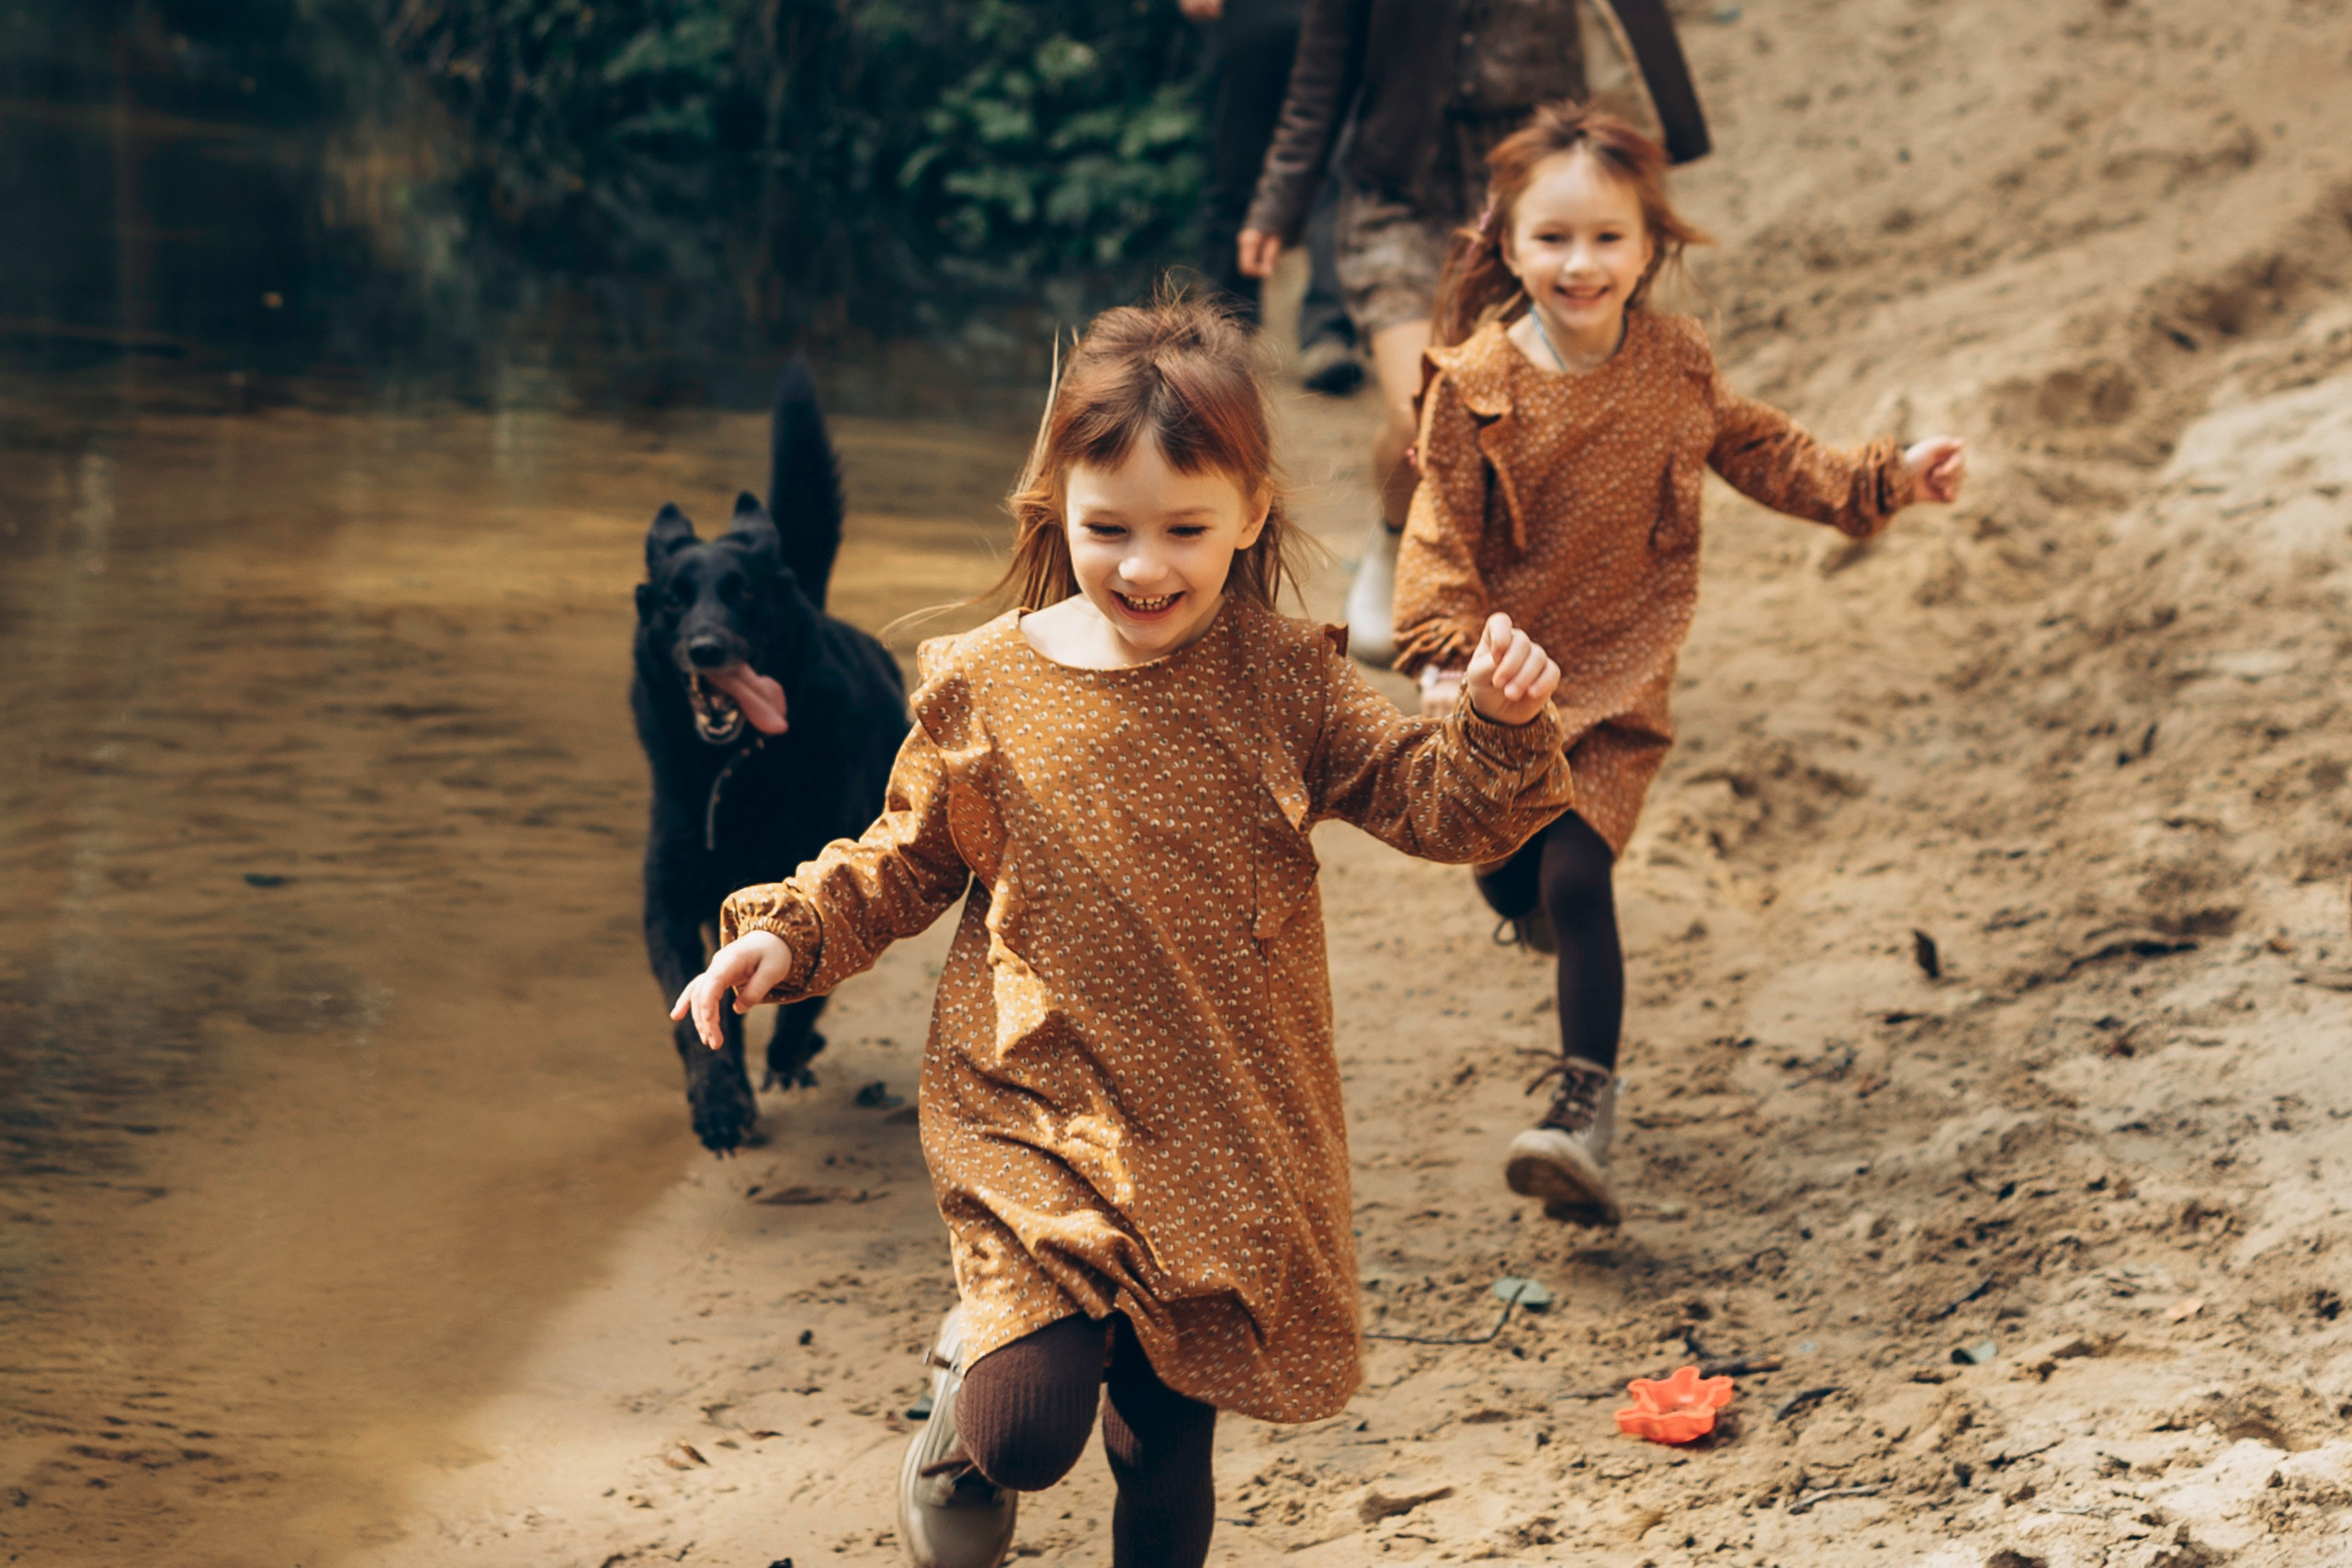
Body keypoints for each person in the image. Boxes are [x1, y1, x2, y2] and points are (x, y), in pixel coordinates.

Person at [669, 297, 1573, 1568]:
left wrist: (1501, 722)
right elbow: (904, 857)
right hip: (1029, 1103)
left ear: (1250, 512)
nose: (1144, 566)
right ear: (1057, 506)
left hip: (1218, 1119)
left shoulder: (1287, 677)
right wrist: (787, 933)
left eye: (1185, 530)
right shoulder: (988, 677)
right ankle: (961, 1400)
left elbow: (1440, 805)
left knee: (1162, 1439)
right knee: (1030, 1430)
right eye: (1109, 529)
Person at [1393, 103, 1968, 1227]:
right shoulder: (1473, 384)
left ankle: (1578, 1114)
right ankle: (1523, 906)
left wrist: (1890, 478)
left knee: (1574, 872)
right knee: (1511, 874)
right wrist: (1450, 656)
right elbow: (1436, 536)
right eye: (1552, 238)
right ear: (1506, 245)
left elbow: (1770, 455)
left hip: (1618, 679)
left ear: (1650, 245)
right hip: (1501, 683)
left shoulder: (1673, 363)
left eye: (1608, 237)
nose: (1580, 262)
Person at [1181, 0, 1362, 394]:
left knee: (1339, 167)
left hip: (1339, 12)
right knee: (1234, 164)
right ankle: (1226, 328)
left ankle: (1329, 332)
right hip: (1249, 15)